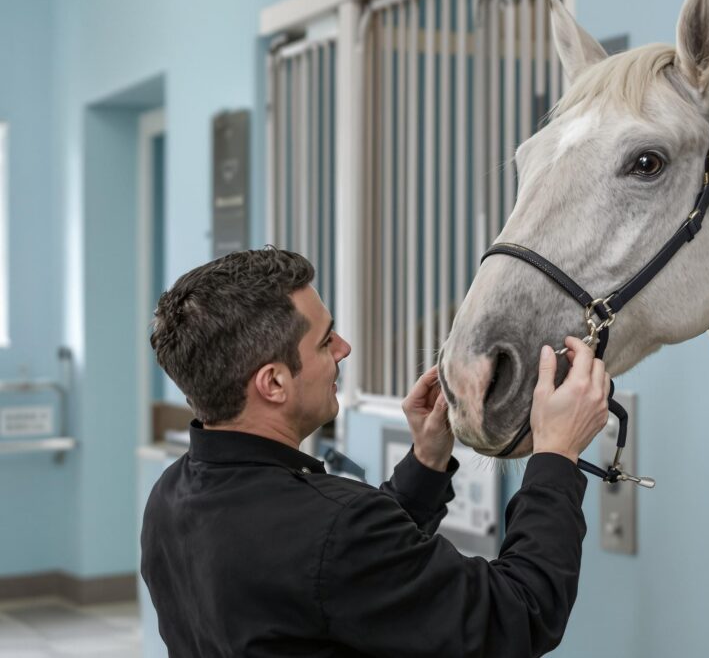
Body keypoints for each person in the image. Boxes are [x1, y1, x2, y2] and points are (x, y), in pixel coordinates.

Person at [141, 247, 610, 658]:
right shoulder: (334, 529)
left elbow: (343, 576)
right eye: (326, 340)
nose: (344, 349)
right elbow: (517, 616)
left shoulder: (170, 498)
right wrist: (556, 454)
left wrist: (426, 461)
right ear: (274, 383)